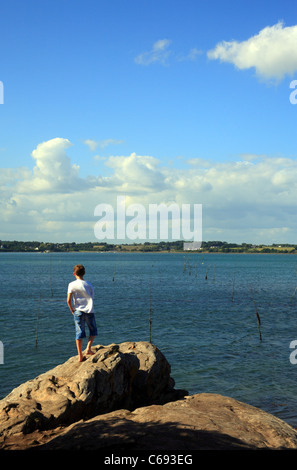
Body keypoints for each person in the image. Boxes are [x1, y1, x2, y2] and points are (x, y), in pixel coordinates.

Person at [67, 264, 98, 362]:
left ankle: (80, 356)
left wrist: (72, 309)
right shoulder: (89, 284)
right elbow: (92, 297)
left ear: (74, 273)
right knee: (93, 330)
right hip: (89, 310)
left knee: (79, 333)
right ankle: (88, 348)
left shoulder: (71, 284)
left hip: (78, 311)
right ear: (84, 273)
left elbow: (68, 300)